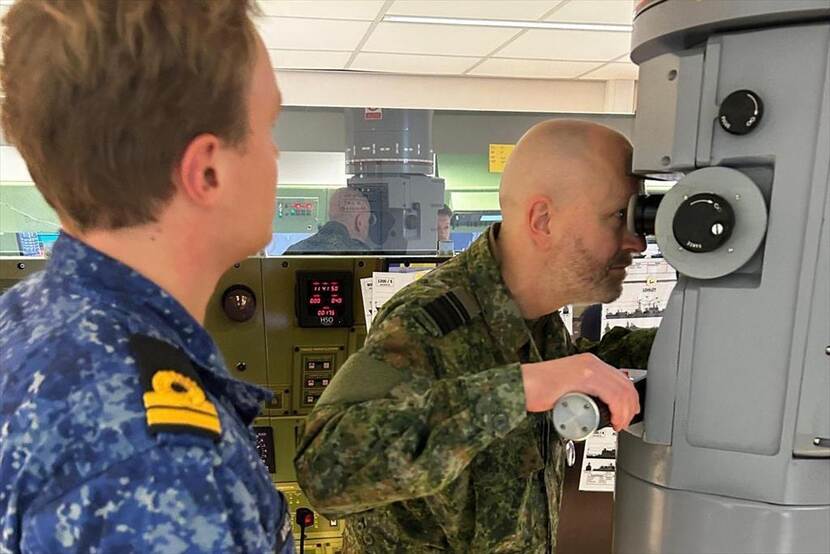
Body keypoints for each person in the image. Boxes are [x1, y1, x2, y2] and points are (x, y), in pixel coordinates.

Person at [0, 1, 293, 552]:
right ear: (207, 171)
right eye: (268, 126)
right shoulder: (163, 464)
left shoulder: (25, 319)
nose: (276, 153)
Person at [294, 119, 656, 553]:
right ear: (543, 219)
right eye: (619, 216)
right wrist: (521, 389)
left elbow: (583, 371)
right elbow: (326, 472)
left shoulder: (533, 322)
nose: (636, 242)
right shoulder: (425, 322)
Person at [284, 187, 373, 254]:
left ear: (330, 214)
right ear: (360, 222)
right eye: (368, 221)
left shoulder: (294, 251)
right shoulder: (363, 256)